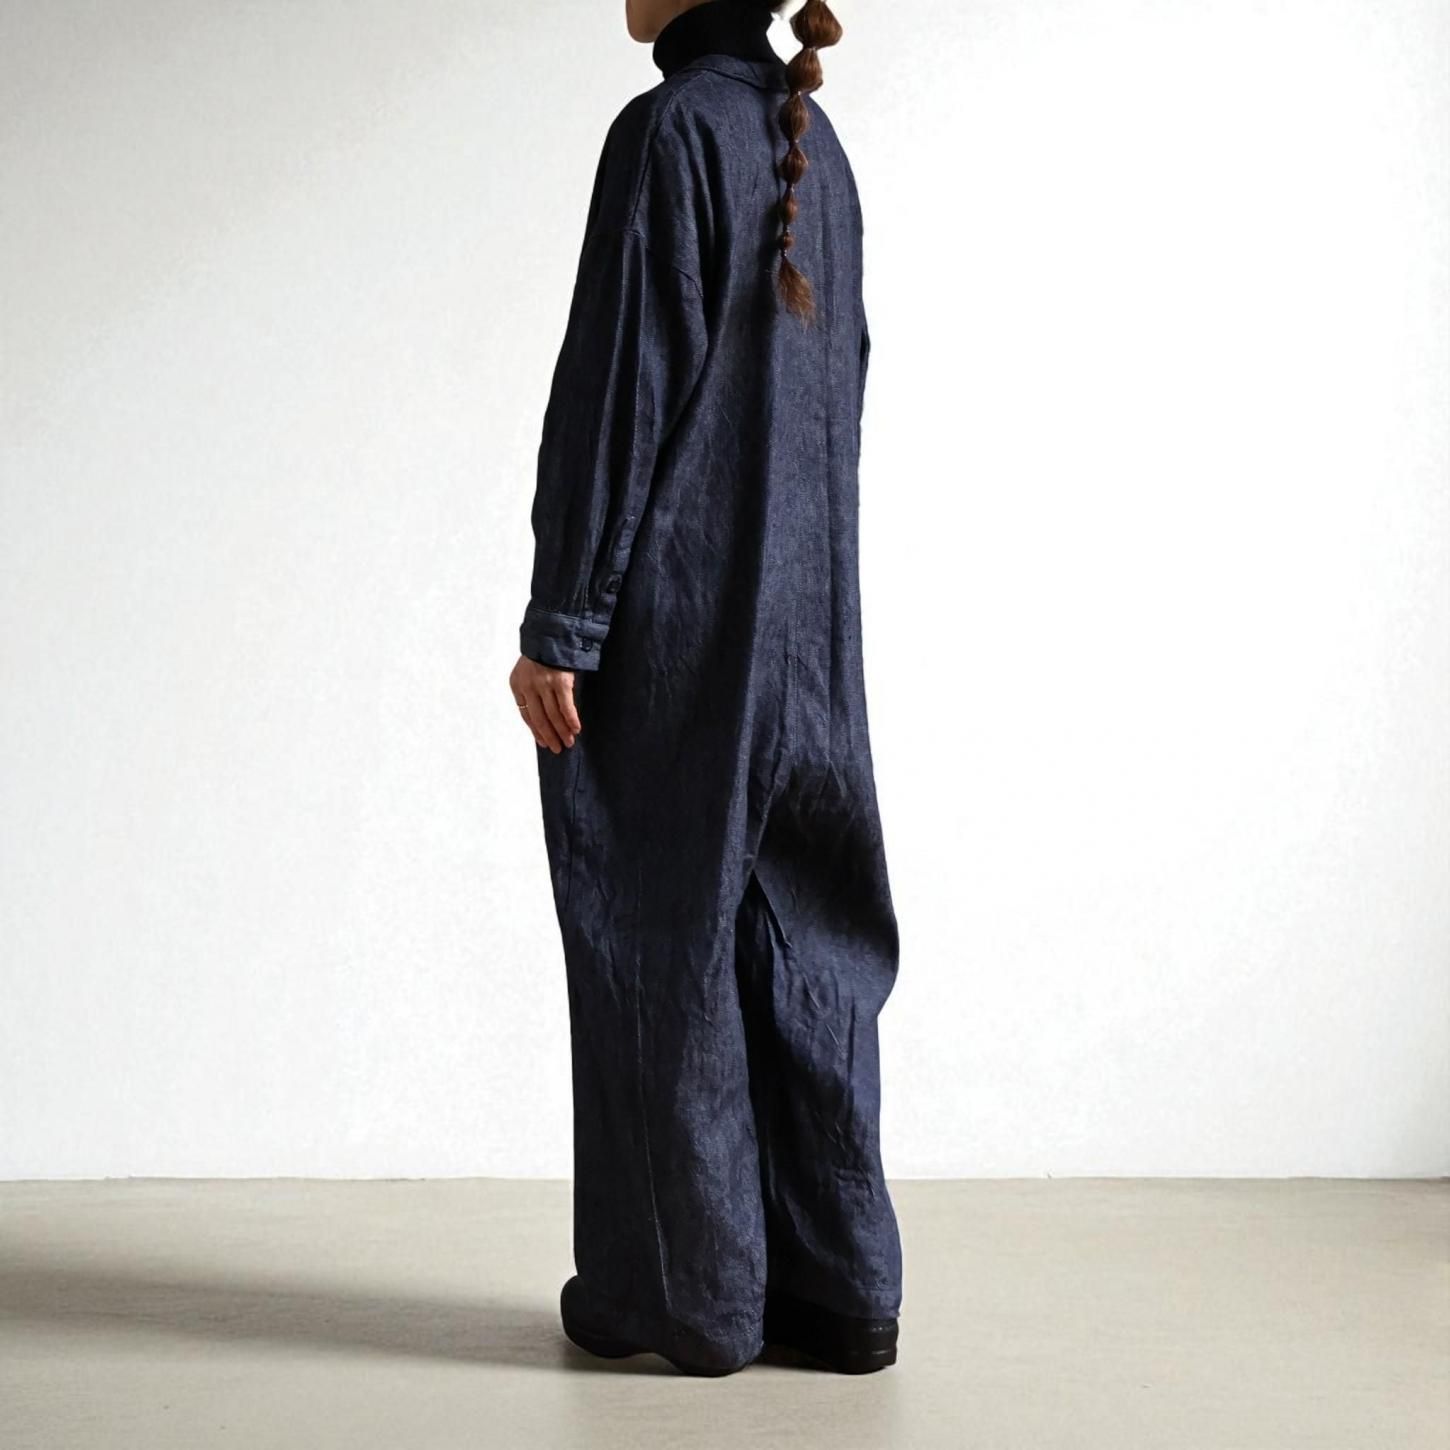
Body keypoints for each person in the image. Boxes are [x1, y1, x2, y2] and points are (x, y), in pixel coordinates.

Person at [509, 0, 901, 1377]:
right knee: (808, 938)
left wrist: (566, 619)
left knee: (654, 922)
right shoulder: (817, 148)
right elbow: (844, 388)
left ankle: (687, 1293)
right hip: (812, 627)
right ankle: (842, 1290)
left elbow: (619, 391)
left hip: (681, 616)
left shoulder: (668, 131)